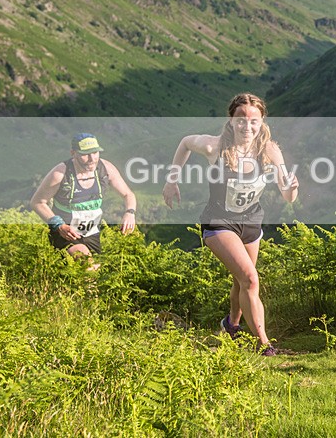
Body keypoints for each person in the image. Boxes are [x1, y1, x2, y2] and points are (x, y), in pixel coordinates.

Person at [162, 93, 298, 356]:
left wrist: (292, 188)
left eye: (254, 121)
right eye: (241, 120)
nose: (247, 127)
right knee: (250, 278)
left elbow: (287, 195)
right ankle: (263, 343)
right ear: (232, 121)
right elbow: (185, 143)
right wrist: (172, 179)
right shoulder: (215, 147)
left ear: (262, 122)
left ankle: (231, 326)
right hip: (219, 221)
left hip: (251, 222)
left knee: (241, 281)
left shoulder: (269, 150)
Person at [31, 133, 137, 267]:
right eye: (85, 154)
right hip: (66, 233)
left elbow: (128, 194)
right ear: (73, 153)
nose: (91, 159)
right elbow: (37, 202)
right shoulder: (60, 174)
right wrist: (59, 225)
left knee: (95, 271)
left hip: (92, 233)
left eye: (95, 153)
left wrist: (130, 213)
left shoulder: (106, 169)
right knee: (86, 265)